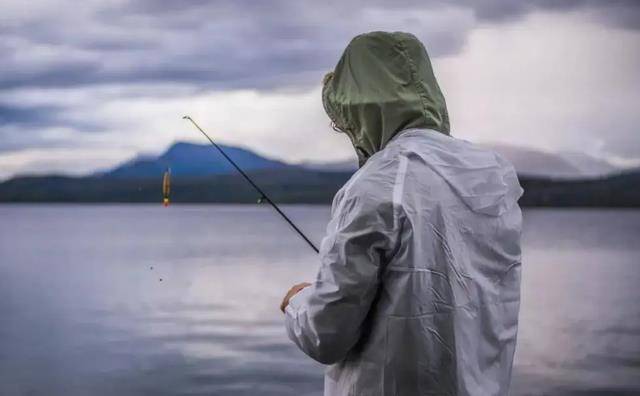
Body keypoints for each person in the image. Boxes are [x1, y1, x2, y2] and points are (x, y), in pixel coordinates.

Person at [280, 31, 523, 396]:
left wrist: (298, 301)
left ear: (362, 109)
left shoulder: (376, 184)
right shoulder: (494, 176)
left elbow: (324, 336)